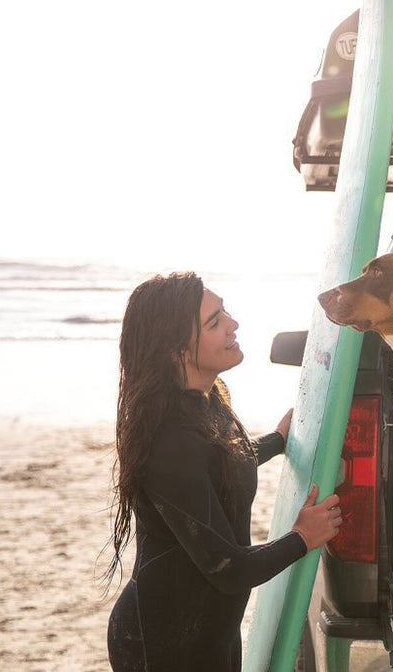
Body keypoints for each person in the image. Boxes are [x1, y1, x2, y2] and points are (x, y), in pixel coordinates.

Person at [104, 272, 341, 671]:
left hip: (211, 628)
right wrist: (302, 537)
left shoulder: (204, 403)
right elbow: (229, 568)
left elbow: (221, 461)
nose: (233, 324)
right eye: (214, 322)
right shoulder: (170, 442)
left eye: (224, 312)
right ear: (177, 351)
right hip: (164, 642)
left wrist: (278, 441)